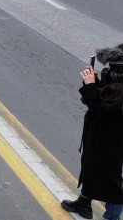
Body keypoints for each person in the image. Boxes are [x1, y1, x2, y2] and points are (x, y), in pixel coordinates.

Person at [60, 48, 123, 220]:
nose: (107, 72)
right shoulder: (117, 86)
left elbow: (101, 110)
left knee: (113, 181)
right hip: (101, 136)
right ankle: (84, 203)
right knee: (90, 166)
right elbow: (107, 99)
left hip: (113, 142)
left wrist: (90, 86)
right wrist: (95, 83)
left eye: (112, 69)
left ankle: (112, 217)